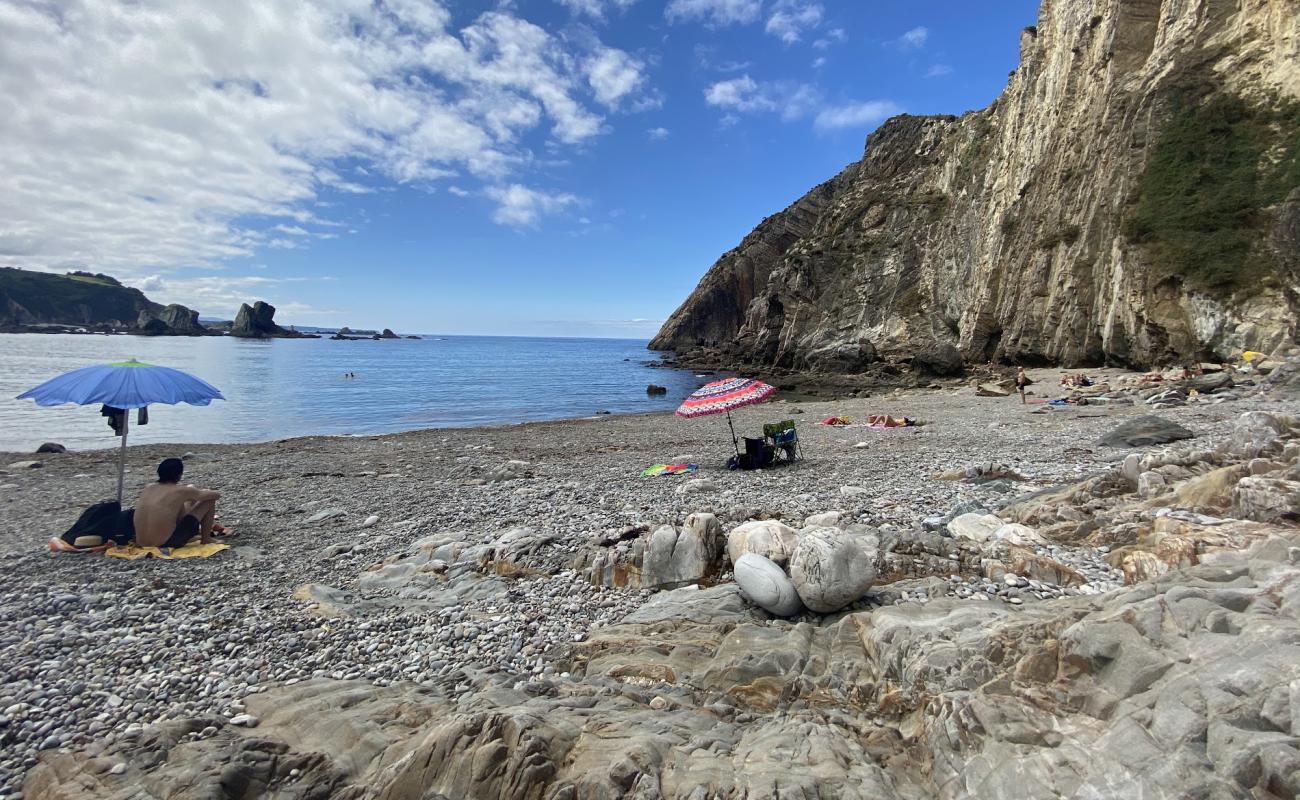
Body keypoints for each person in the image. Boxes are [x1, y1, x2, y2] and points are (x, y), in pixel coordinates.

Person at [132, 458, 221, 548]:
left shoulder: (148, 488)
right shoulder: (180, 491)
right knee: (209, 500)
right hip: (165, 543)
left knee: (183, 500)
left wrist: (189, 496)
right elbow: (216, 495)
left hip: (141, 542)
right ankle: (206, 539)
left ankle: (193, 535)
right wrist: (202, 491)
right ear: (179, 474)